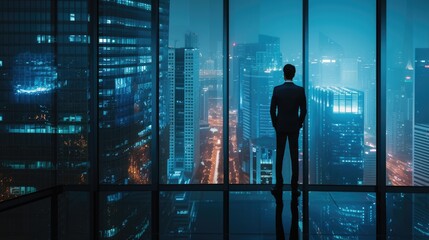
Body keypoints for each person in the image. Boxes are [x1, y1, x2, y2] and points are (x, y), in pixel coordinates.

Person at [270, 64, 307, 197]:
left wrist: (276, 124)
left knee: (279, 157)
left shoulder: (277, 90)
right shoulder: (300, 90)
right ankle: (294, 187)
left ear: (283, 74)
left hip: (280, 127)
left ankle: (278, 185)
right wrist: (299, 123)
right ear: (294, 74)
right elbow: (304, 110)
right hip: (294, 128)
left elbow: (272, 110)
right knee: (294, 157)